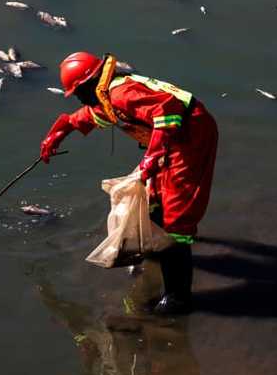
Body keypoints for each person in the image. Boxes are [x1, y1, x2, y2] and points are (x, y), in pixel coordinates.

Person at [39, 52, 219, 315]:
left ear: (91, 83)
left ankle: (178, 297)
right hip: (170, 138)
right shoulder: (110, 92)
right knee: (155, 197)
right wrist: (59, 132)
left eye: (78, 92)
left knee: (177, 216)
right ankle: (161, 246)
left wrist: (153, 156)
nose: (78, 97)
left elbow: (168, 111)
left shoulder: (123, 93)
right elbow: (94, 115)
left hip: (191, 137)